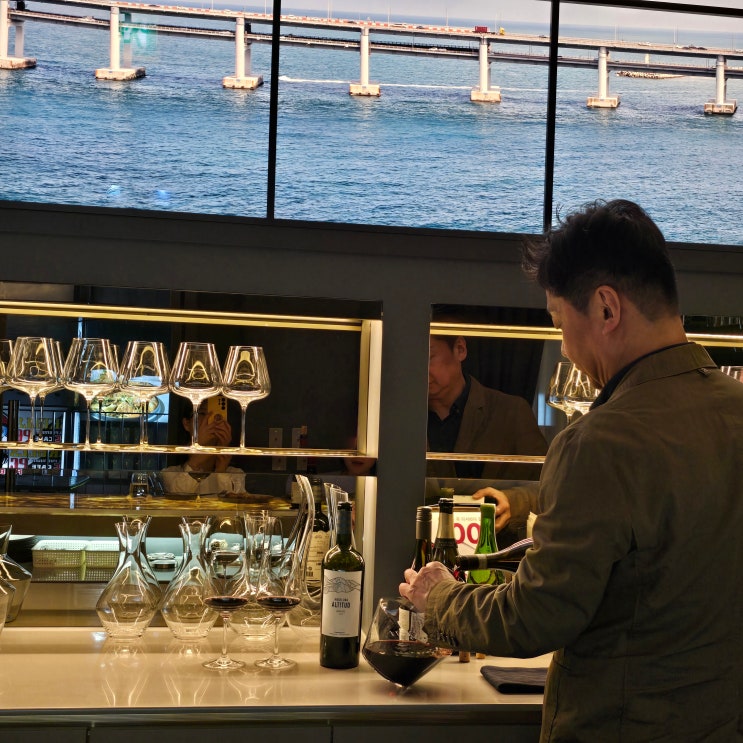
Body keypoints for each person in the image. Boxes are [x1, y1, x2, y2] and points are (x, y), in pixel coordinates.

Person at [401, 199, 743, 741]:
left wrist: (439, 596)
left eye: (560, 323)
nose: (563, 348)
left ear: (606, 309)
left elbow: (534, 617)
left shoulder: (599, 442)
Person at [426, 325, 547, 541]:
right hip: (416, 550)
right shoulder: (397, 418)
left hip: (497, 551)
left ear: (460, 349)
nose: (417, 367)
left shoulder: (510, 412)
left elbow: (550, 489)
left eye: (428, 357)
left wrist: (512, 502)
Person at [160, 398, 246, 496]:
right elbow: (178, 499)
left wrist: (221, 470)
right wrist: (197, 458)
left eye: (217, 414)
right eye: (203, 414)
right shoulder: (171, 473)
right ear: (186, 423)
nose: (210, 421)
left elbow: (233, 503)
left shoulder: (236, 475)